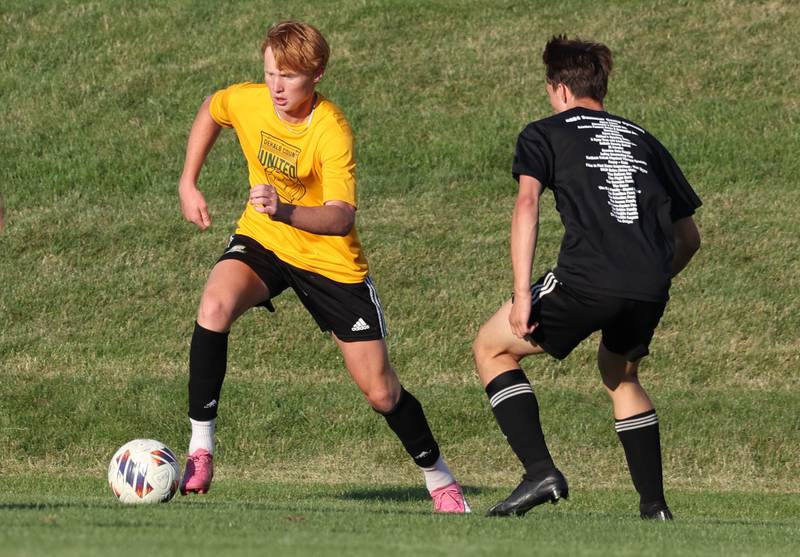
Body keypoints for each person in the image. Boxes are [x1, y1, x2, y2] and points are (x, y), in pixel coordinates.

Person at [177, 20, 469, 513]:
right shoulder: (251, 100)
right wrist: (189, 182)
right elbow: (213, 107)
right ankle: (200, 448)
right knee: (214, 305)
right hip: (264, 240)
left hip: (331, 264)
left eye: (288, 77)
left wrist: (285, 209)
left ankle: (440, 479)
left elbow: (339, 217)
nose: (276, 86)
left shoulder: (331, 129)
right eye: (270, 73)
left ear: (316, 75)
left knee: (380, 392)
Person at [472, 35, 701, 520]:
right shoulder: (645, 139)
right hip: (648, 285)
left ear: (558, 89)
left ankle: (540, 472)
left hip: (586, 279)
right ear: (600, 84)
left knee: (491, 347)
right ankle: (655, 508)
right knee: (620, 374)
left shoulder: (544, 132)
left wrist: (521, 295)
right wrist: (655, 280)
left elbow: (527, 204)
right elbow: (689, 237)